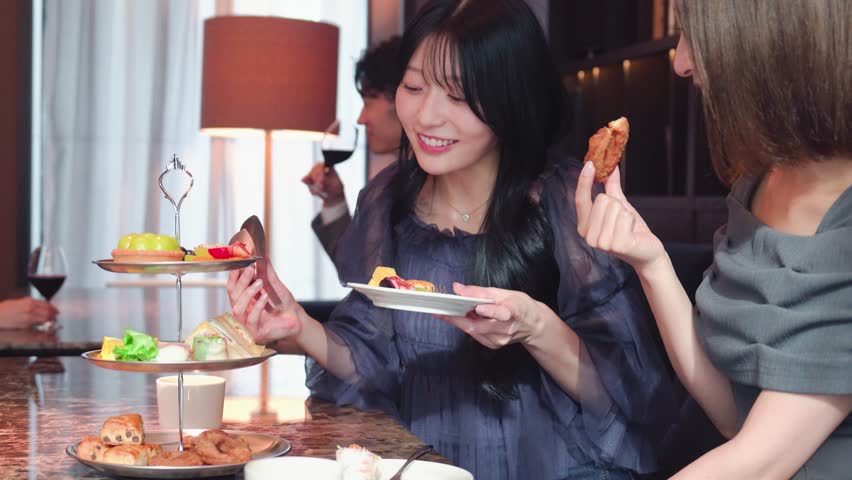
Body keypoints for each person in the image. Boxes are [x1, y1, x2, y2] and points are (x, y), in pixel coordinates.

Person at [228, 1, 682, 478]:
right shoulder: (387, 201)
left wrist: (536, 328)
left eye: (459, 96)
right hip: (420, 464)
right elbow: (373, 356)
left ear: (512, 98)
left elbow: (618, 394)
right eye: (414, 86)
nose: (426, 116)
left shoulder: (568, 202)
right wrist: (298, 327)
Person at [575, 1, 852, 478]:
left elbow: (759, 461)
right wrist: (650, 260)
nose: (681, 60)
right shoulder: (761, 180)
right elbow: (732, 414)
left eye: (694, 35)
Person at [302, 36, 403, 266]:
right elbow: (355, 269)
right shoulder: (384, 187)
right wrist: (334, 200)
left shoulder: (435, 186)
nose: (360, 118)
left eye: (368, 102)